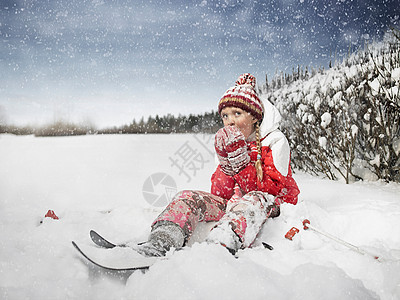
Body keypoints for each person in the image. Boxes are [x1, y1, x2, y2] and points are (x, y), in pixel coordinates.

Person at [135, 73, 300, 256]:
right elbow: (221, 195)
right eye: (225, 115)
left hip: (268, 206)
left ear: (254, 117)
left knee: (253, 200)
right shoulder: (229, 142)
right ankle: (162, 239)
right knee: (188, 196)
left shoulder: (274, 142)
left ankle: (219, 246)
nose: (230, 121)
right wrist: (225, 161)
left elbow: (271, 192)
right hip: (235, 205)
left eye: (237, 113)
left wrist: (241, 164)